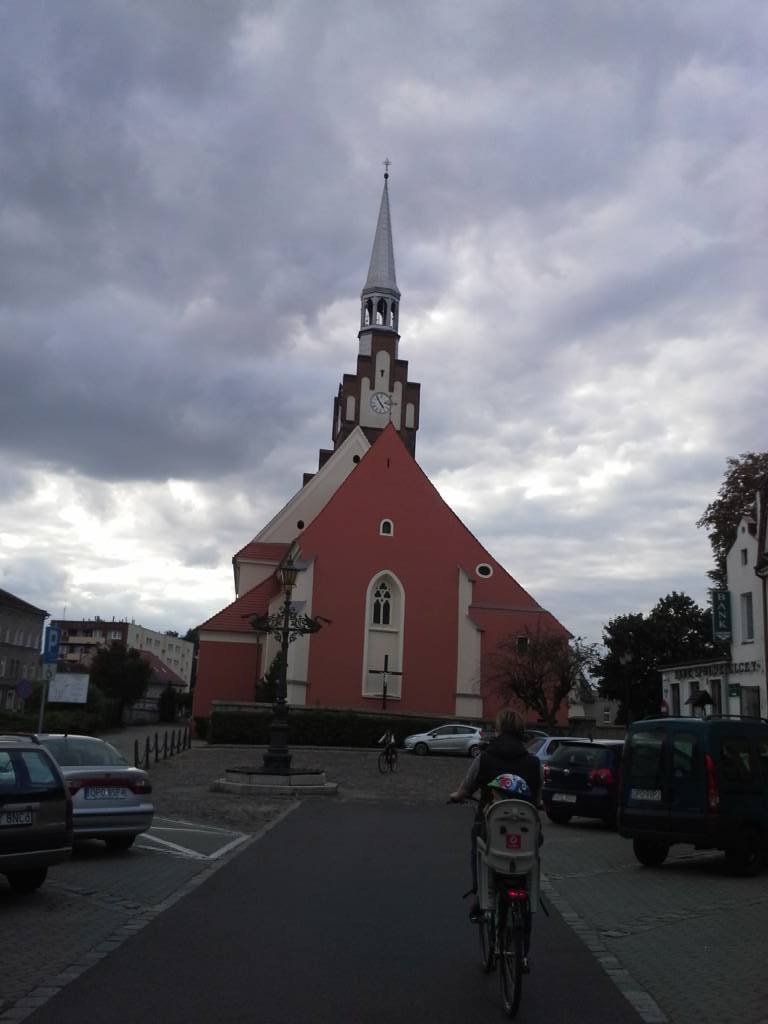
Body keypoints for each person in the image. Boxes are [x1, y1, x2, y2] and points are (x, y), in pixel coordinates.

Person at [449, 709, 543, 968]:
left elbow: (465, 788)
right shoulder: (534, 763)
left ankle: (480, 894)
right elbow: (538, 798)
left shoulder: (485, 758)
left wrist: (457, 796)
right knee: (528, 870)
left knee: (477, 839)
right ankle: (523, 950)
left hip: (492, 835)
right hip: (523, 841)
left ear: (499, 730)